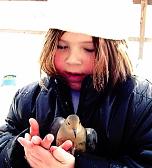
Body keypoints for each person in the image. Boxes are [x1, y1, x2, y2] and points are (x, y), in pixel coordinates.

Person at [0, 0, 152, 168]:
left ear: (115, 51)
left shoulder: (141, 104)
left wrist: (77, 165)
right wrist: (23, 152)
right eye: (62, 46)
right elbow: (4, 139)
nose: (72, 60)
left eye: (89, 49)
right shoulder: (29, 98)